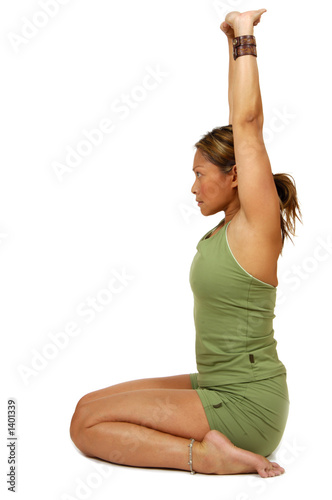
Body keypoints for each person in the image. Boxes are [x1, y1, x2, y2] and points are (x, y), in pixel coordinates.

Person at [70, 9, 302, 478]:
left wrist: (243, 34)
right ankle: (212, 444)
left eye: (200, 175)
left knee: (86, 426)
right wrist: (227, 45)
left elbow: (248, 123)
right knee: (87, 406)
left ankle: (211, 458)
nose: (194, 187)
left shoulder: (256, 226)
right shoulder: (223, 228)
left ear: (235, 176)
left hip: (248, 403)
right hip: (218, 383)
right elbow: (239, 128)